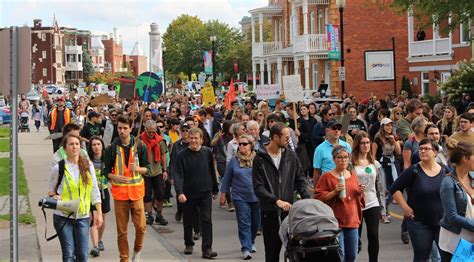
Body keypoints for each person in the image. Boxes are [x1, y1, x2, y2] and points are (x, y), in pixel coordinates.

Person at [252, 122, 310, 262]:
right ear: (275, 137)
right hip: (270, 212)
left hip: (289, 211)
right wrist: (276, 200)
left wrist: (307, 199)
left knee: (296, 251)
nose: (288, 140)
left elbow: (300, 178)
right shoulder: (260, 158)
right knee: (272, 253)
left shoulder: (290, 155)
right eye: (286, 137)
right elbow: (258, 187)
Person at [390, 139, 449, 261]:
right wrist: (405, 208)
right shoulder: (413, 170)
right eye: (420, 149)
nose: (422, 151)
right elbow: (395, 189)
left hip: (442, 223)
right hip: (419, 223)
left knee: (446, 257)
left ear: (435, 152)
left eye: (426, 149)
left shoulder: (445, 171)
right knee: (421, 257)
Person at [48, 134, 102, 261]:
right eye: (71, 144)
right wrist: (55, 197)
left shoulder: (88, 166)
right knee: (68, 255)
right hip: (63, 216)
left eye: (77, 144)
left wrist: (98, 213)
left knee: (83, 255)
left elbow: (94, 190)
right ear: (65, 148)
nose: (75, 147)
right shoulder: (59, 167)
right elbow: (51, 190)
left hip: (82, 216)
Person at [103, 115, 150, 262]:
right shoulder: (111, 148)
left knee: (141, 227)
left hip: (136, 193)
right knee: (122, 232)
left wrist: (138, 169)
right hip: (120, 195)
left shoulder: (140, 146)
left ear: (131, 128)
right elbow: (105, 171)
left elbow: (148, 168)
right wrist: (114, 177)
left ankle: (137, 250)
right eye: (120, 128)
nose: (122, 131)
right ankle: (124, 259)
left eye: (125, 128)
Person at [314, 145, 364, 262]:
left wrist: (360, 192)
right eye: (340, 157)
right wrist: (335, 191)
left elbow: (357, 198)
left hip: (352, 220)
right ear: (334, 159)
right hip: (335, 222)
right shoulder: (327, 176)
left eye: (346, 157)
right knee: (339, 254)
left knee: (352, 255)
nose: (343, 160)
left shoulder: (352, 175)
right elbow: (319, 197)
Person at [174, 127, 219, 258]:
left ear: (201, 140)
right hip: (188, 193)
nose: (193, 141)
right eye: (191, 138)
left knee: (206, 220)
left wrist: (215, 189)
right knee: (188, 220)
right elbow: (178, 175)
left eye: (196, 138)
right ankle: (188, 243)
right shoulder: (182, 155)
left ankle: (207, 248)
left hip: (205, 192)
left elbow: (212, 170)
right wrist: (179, 192)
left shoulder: (207, 152)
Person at [220, 134, 260, 260]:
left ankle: (251, 241)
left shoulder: (258, 159)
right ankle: (246, 248)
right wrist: (223, 194)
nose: (241, 146)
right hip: (239, 196)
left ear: (251, 146)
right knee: (244, 223)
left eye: (244, 144)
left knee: (255, 223)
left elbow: (265, 177)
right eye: (240, 144)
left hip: (257, 196)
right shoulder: (233, 161)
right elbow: (227, 179)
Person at [352, 132, 386, 262]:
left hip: (372, 202)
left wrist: (383, 209)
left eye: (367, 142)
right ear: (357, 145)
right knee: (355, 237)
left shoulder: (374, 163)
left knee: (373, 235)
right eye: (362, 143)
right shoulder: (351, 163)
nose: (366, 145)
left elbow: (380, 188)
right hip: (355, 204)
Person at [439, 140, 474, 261]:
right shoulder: (448, 183)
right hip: (454, 241)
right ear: (465, 159)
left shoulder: (472, 177)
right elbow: (452, 216)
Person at [140, 120, 169, 226]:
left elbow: (163, 156)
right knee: (147, 195)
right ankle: (150, 215)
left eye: (153, 132)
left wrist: (165, 170)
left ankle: (159, 215)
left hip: (157, 171)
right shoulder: (140, 140)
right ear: (145, 130)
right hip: (145, 171)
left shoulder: (160, 141)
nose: (151, 134)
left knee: (161, 194)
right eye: (149, 132)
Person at [87, 136, 110, 257]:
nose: (96, 147)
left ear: (102, 146)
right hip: (91, 193)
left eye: (98, 144)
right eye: (94, 145)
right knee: (93, 218)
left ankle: (100, 240)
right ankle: (95, 246)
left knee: (102, 219)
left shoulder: (107, 159)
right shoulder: (87, 161)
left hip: (104, 191)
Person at [313, 120, 352, 186]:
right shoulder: (320, 149)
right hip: (328, 184)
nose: (337, 131)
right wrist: (316, 190)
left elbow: (350, 166)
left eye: (339, 129)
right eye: (334, 128)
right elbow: (317, 172)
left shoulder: (346, 146)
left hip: (345, 182)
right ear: (327, 130)